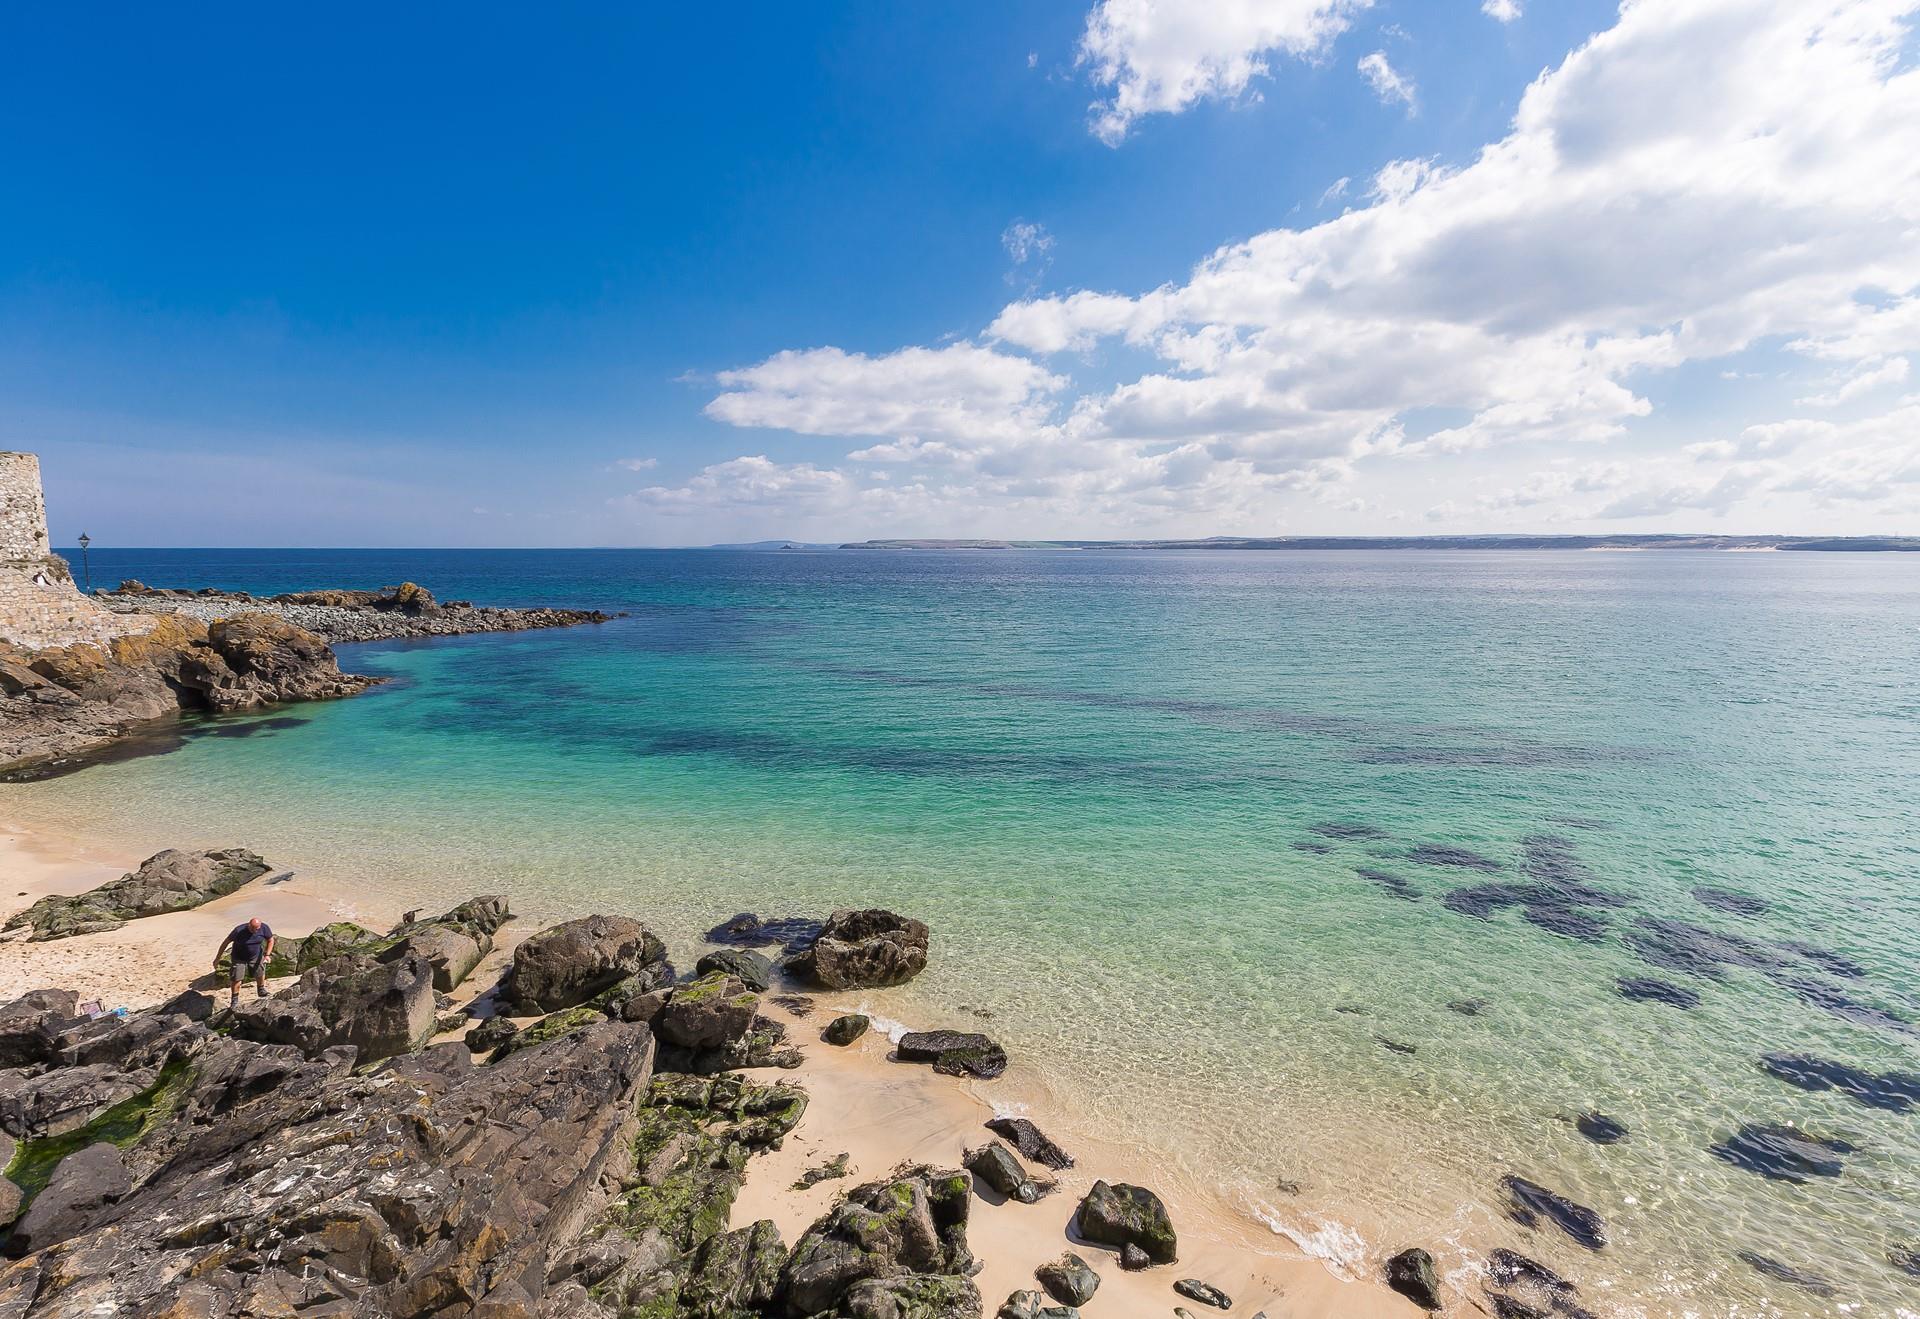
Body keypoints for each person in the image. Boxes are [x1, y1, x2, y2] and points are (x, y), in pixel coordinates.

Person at [215, 916, 275, 1006]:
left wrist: (267, 955)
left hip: (255, 955)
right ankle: (234, 999)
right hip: (239, 957)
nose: (255, 931)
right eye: (253, 929)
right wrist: (217, 958)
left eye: (257, 929)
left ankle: (261, 990)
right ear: (248, 925)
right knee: (237, 978)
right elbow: (225, 943)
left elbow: (270, 940)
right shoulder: (239, 930)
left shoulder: (264, 928)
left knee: (259, 972)